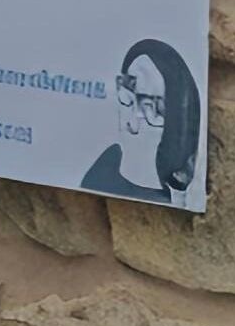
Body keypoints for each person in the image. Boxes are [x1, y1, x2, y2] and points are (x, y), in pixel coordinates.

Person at [81, 40, 200, 205]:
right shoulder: (103, 167)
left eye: (150, 108)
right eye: (127, 99)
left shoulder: (176, 194)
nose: (132, 123)